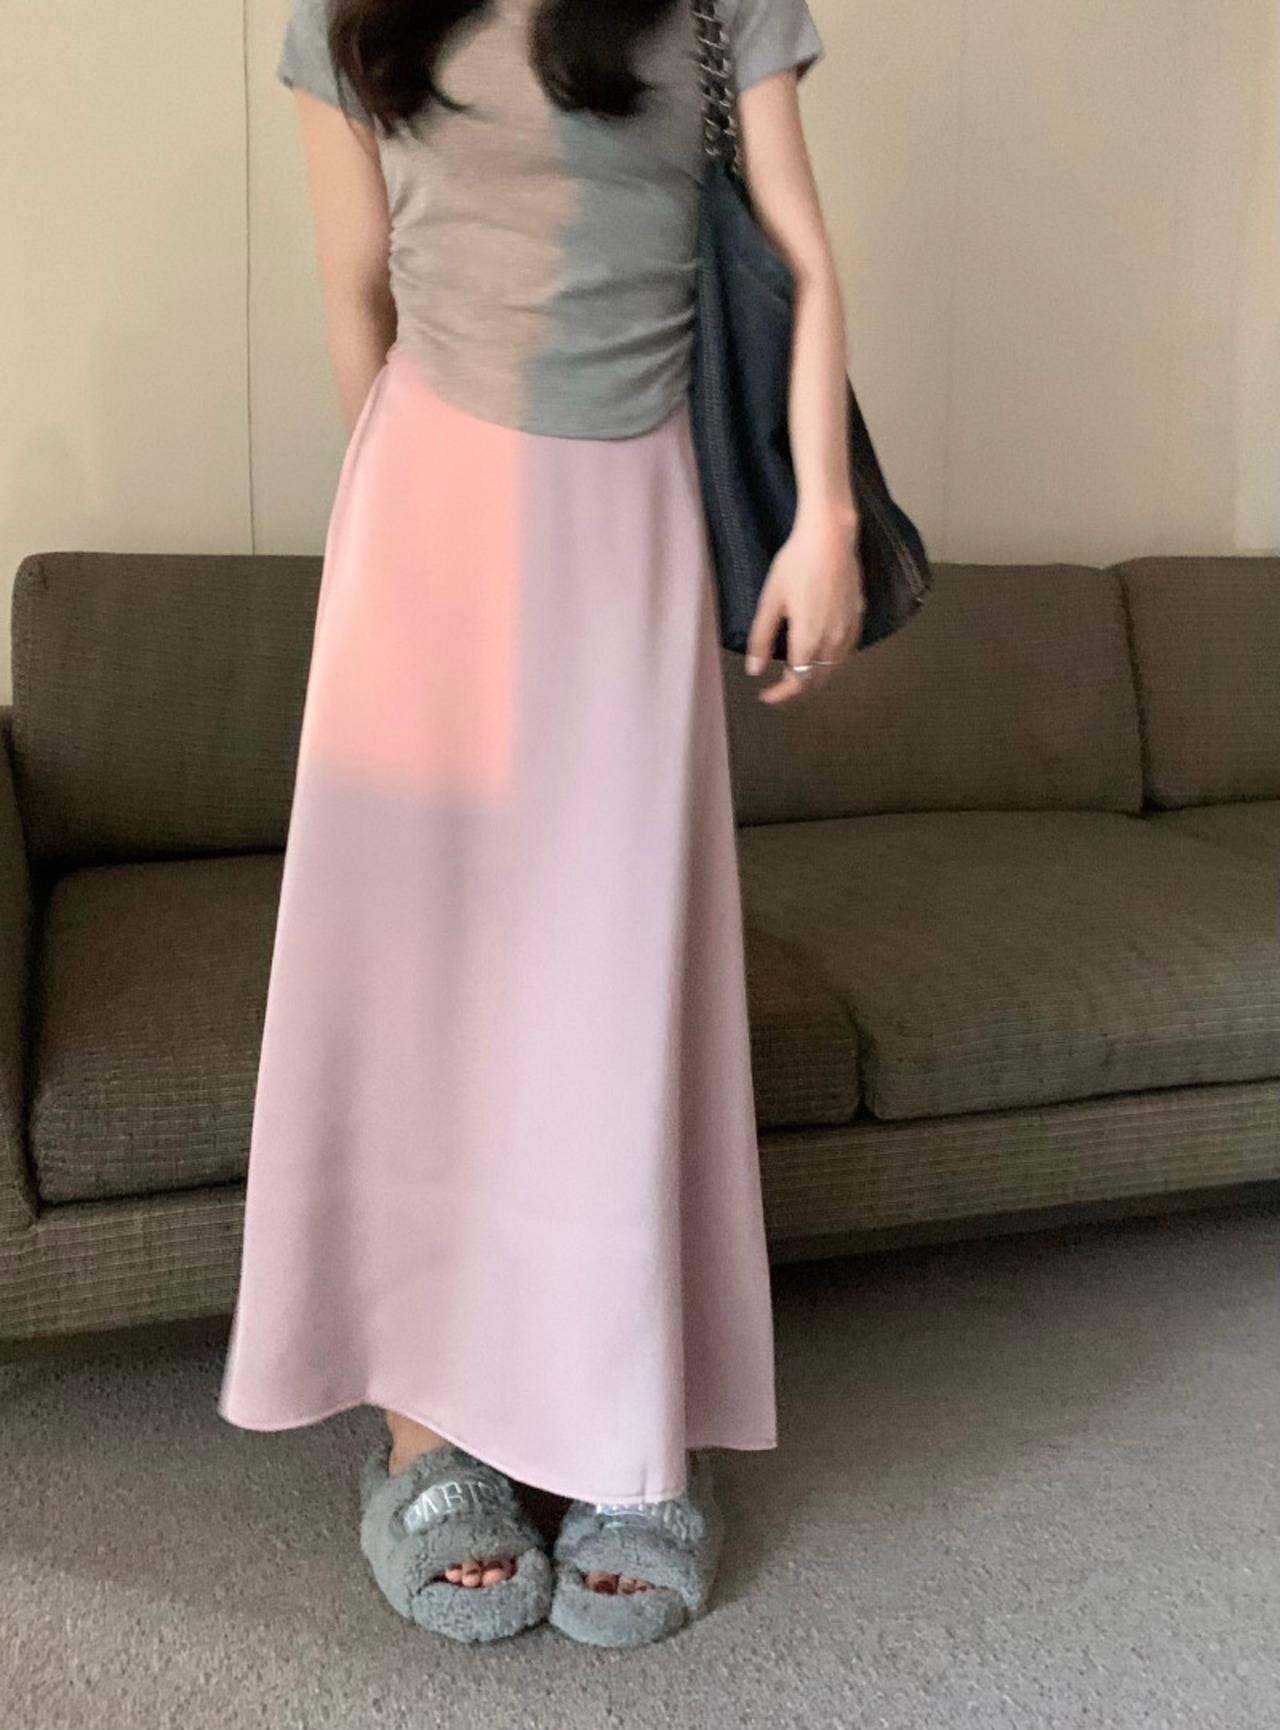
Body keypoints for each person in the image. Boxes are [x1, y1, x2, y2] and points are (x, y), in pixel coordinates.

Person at [217, 0, 864, 1649]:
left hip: (632, 525)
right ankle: (424, 1433)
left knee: (608, 987)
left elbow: (800, 257)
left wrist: (825, 517)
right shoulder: (345, 13)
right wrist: (405, 531)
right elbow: (357, 291)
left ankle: (634, 1431)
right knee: (421, 996)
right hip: (422, 525)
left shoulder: (720, 5)